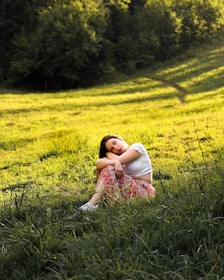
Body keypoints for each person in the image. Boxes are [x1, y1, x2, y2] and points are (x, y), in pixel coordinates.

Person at [79, 134, 156, 211]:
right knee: (105, 167)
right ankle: (102, 203)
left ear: (120, 139)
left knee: (109, 167)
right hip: (129, 189)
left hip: (143, 190)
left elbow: (119, 159)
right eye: (112, 149)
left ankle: (92, 204)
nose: (116, 147)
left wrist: (111, 157)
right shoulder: (115, 158)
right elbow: (98, 163)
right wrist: (114, 161)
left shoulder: (137, 147)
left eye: (115, 143)